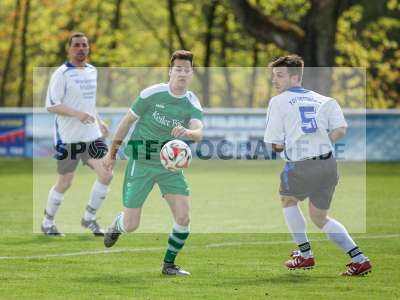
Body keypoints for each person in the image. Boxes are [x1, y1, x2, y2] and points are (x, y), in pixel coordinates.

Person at [263, 55, 372, 276]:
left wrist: (286, 151)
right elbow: (341, 129)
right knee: (320, 217)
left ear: (295, 77)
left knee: (287, 200)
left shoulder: (278, 101)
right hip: (328, 164)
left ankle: (304, 255)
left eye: (280, 75)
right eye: (274, 76)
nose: (275, 80)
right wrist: (319, 145)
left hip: (302, 165)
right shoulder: (325, 100)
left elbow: (275, 143)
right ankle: (359, 259)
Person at [102, 50, 203, 276]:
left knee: (184, 217)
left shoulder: (191, 102)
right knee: (131, 225)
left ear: (191, 73)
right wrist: (112, 153)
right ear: (170, 71)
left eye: (187, 70)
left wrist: (187, 131)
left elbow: (199, 132)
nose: (182, 74)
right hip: (141, 160)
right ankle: (117, 225)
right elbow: (127, 122)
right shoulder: (152, 94)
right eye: (178, 69)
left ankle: (169, 265)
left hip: (170, 165)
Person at [42, 32, 113, 236]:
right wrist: (77, 114)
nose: (81, 48)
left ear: (88, 48)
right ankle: (47, 223)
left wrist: (99, 121)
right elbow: (51, 105)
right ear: (69, 48)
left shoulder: (92, 71)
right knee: (65, 183)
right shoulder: (61, 74)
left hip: (92, 136)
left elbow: (89, 103)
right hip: (69, 138)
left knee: (106, 174)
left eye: (84, 45)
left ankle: (89, 218)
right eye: (77, 45)